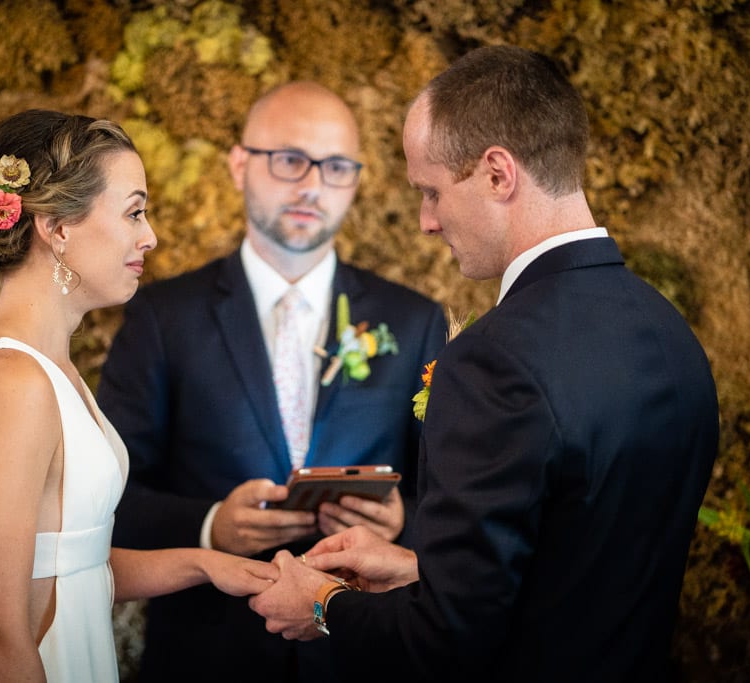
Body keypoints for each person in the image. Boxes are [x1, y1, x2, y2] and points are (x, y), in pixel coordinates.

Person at [249, 45, 720, 682]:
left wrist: (321, 602)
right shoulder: (671, 334)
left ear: (499, 174)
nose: (425, 222)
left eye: (431, 192)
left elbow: (446, 639)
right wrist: (424, 569)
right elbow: (581, 568)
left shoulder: (492, 360)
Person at [0, 109, 277, 682]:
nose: (150, 236)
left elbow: (65, 565)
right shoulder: (9, 381)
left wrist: (204, 564)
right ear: (56, 226)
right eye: (134, 211)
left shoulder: (50, 371)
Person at [96, 81, 447, 682]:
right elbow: (108, 500)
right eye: (289, 160)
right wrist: (211, 525)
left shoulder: (413, 321)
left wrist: (400, 525)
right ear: (239, 165)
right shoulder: (162, 317)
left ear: (357, 179)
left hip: (362, 656)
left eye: (336, 167)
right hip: (208, 657)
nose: (312, 186)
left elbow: (451, 495)